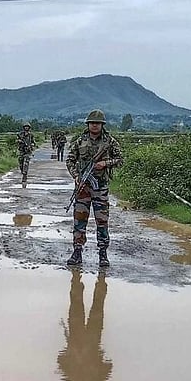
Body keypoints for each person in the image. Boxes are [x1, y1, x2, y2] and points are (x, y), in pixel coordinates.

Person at [65, 109, 124, 267]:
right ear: (88, 124)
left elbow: (120, 159)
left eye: (97, 123)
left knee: (102, 221)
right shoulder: (80, 140)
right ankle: (77, 252)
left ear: (102, 124)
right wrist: (76, 176)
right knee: (79, 221)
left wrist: (105, 163)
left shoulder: (109, 141)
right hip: (83, 188)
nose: (95, 126)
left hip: (100, 187)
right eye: (92, 123)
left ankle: (103, 254)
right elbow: (70, 159)